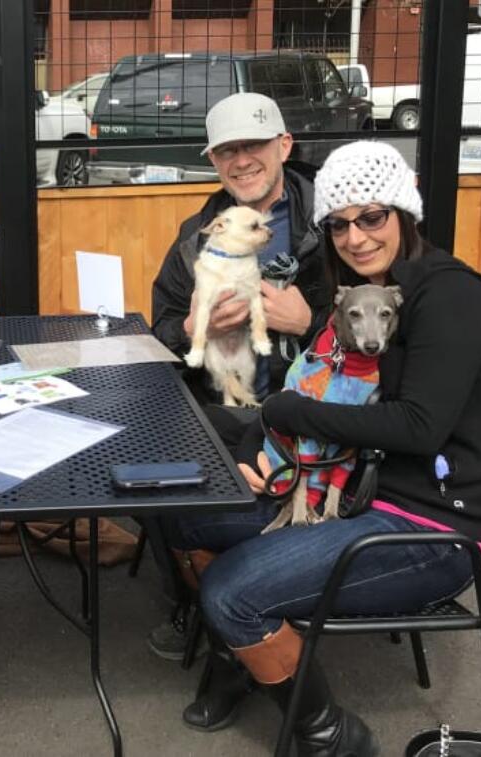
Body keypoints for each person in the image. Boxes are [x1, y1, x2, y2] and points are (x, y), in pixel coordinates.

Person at [162, 140, 481, 754]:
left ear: (404, 213)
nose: (355, 237)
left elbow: (417, 428)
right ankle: (242, 652)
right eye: (339, 224)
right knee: (185, 513)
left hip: (425, 524)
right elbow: (325, 395)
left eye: (371, 217)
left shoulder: (450, 297)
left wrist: (291, 411)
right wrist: (260, 446)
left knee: (230, 592)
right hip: (347, 479)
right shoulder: (359, 289)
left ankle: (329, 734)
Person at [145, 92, 331, 673]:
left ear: (284, 146)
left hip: (315, 418)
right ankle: (203, 600)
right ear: (214, 161)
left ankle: (245, 606)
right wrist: (192, 325)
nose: (241, 160)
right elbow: (161, 328)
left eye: (252, 145)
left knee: (204, 498)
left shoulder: (337, 224)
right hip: (225, 407)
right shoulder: (195, 234)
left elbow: (388, 326)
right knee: (146, 479)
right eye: (227, 150)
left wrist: (309, 322)